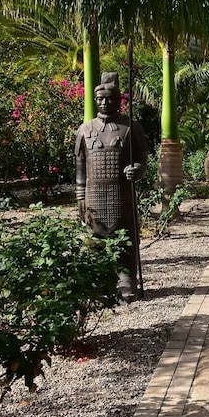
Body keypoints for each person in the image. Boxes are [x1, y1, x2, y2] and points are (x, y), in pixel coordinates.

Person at [74, 72, 147, 300]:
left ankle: (127, 279)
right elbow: (80, 168)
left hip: (121, 194)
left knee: (125, 238)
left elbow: (142, 160)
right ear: (95, 101)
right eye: (100, 99)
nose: (105, 103)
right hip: (93, 196)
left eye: (110, 99)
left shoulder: (130, 127)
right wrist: (80, 198)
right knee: (94, 240)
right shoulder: (84, 130)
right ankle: (98, 282)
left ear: (118, 100)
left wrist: (136, 169)